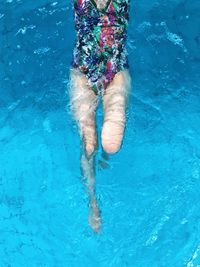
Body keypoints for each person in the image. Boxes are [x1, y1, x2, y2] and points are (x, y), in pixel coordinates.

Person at [68, 0, 132, 232]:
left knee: (112, 143)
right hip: (82, 73)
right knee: (88, 143)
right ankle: (92, 201)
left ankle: (106, 156)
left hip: (115, 72)